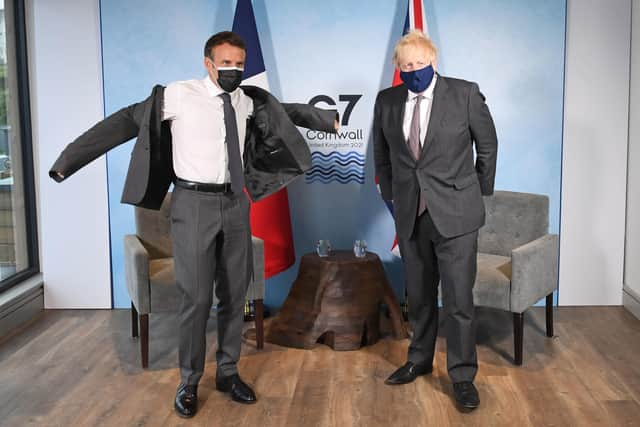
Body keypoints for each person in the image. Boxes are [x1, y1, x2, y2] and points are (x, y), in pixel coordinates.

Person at [50, 31, 338, 418]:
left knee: (236, 295)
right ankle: (189, 381)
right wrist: (67, 161)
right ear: (208, 63)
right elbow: (121, 123)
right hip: (192, 204)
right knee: (196, 298)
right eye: (226, 63)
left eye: (239, 63)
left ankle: (228, 372)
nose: (234, 70)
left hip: (236, 203)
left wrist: (326, 119)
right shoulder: (177, 95)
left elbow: (287, 112)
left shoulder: (247, 101)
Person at [373, 30, 497, 411]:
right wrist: (393, 194)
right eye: (406, 66)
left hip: (456, 215)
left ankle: (462, 376)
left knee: (459, 300)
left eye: (419, 64)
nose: (413, 70)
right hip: (411, 213)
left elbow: (487, 145)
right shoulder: (387, 100)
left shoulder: (465, 93)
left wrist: (474, 191)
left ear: (434, 61)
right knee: (420, 297)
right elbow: (381, 152)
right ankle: (419, 360)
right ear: (399, 68)